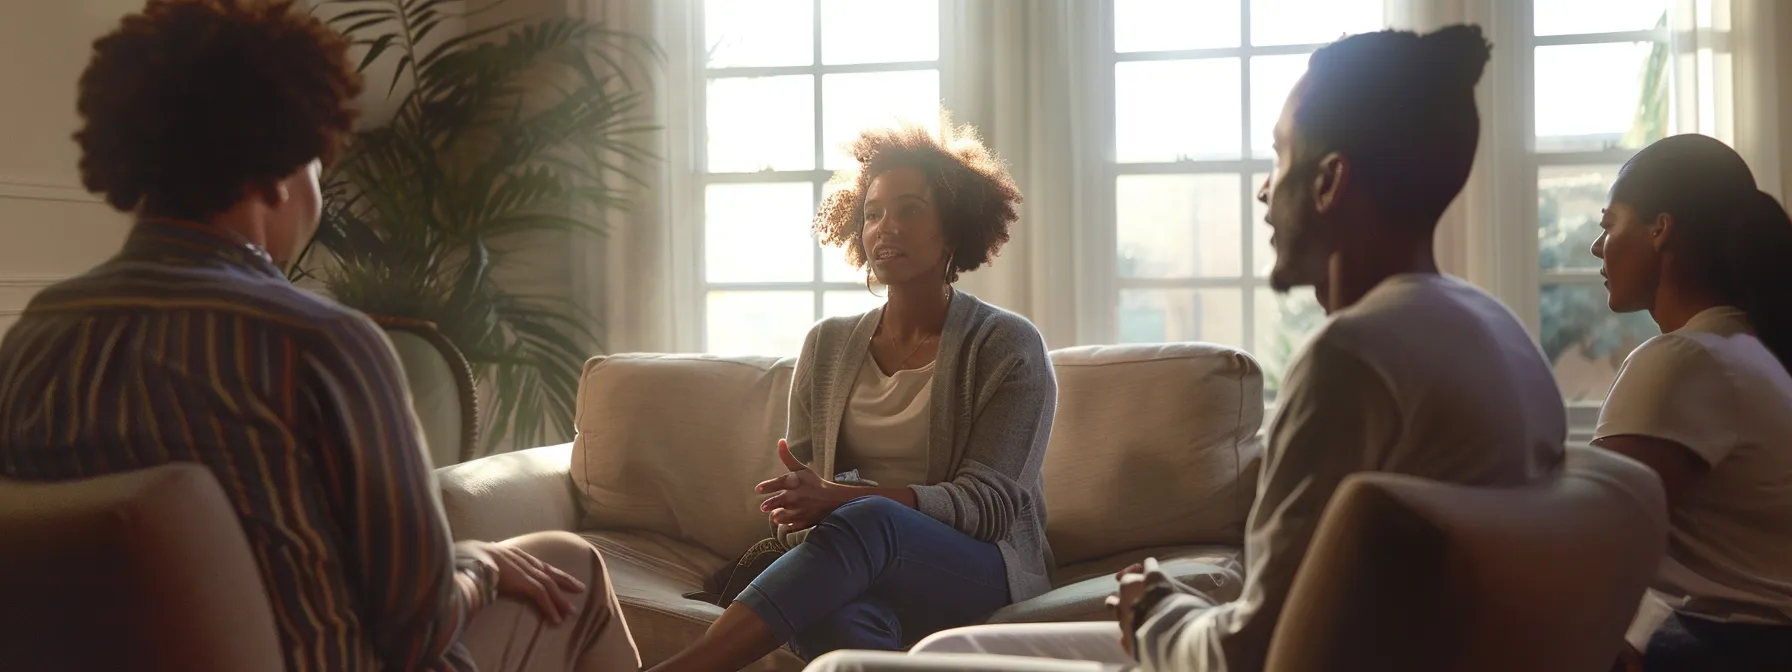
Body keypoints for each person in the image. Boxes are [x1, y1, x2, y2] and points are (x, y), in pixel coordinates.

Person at [805, 24, 1567, 672]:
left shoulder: (1352, 360)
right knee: (952, 647)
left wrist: (1157, 604)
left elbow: (1247, 650)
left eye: (1279, 157)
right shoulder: (1496, 332)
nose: (1265, 191)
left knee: (846, 669)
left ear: (1330, 182)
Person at [0, 2, 638, 670]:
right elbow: (419, 630)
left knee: (550, 558)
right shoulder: (317, 344)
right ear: (274, 172)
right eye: (314, 165)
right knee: (576, 575)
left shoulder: (37, 335)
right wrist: (476, 564)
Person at [647, 117, 1056, 671]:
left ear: (954, 227)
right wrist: (799, 501)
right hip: (859, 560)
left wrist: (842, 498)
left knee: (870, 519)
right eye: (872, 213)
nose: (887, 227)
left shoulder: (1007, 344)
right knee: (838, 625)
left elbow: (989, 507)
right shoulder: (828, 344)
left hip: (978, 567)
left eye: (910, 209)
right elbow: (800, 501)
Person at [1586, 134, 1792, 670]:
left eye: (1609, 225)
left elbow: (1589, 545)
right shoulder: (1745, 348)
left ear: (1660, 229)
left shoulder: (1684, 360)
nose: (1596, 246)